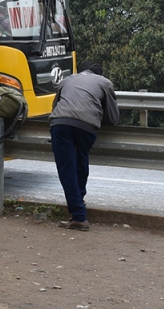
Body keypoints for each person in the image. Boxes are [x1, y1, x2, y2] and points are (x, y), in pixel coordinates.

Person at [49, 62, 119, 231]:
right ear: (99, 73)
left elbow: (55, 106)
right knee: (81, 164)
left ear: (79, 71)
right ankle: (79, 208)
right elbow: (113, 116)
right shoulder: (105, 82)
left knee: (67, 170)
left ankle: (79, 215)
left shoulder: (66, 80)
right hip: (87, 126)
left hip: (61, 124)